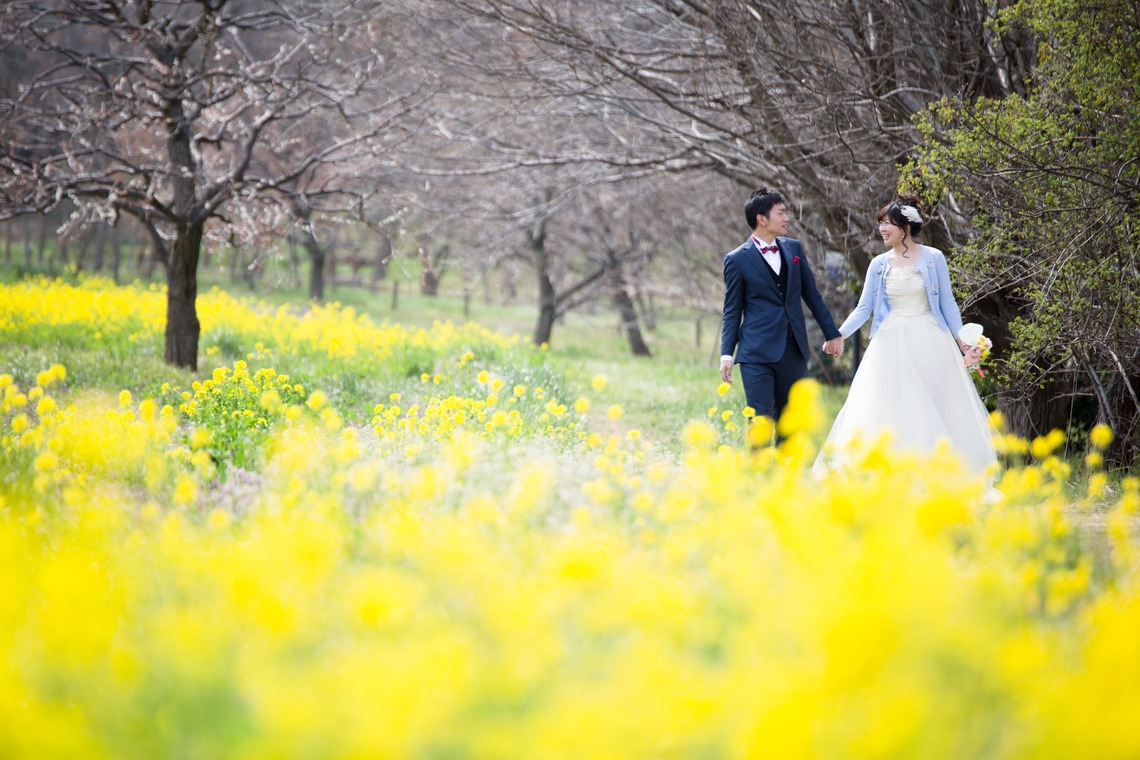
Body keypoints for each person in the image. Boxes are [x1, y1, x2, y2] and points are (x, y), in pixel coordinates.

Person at [816, 194, 997, 475]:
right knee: (889, 404)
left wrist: (964, 344)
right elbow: (864, 307)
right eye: (880, 224)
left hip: (930, 338)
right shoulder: (878, 264)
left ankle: (936, 471)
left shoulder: (933, 258)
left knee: (933, 404)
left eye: (888, 223)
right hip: (891, 342)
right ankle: (891, 472)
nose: (882, 229)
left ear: (907, 227)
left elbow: (947, 304)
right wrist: (837, 334)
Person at [719, 187, 844, 429]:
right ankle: (760, 468)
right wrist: (726, 354)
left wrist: (833, 334)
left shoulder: (793, 249)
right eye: (781, 213)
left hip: (793, 351)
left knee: (792, 423)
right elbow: (732, 310)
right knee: (760, 421)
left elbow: (812, 295)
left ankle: (788, 467)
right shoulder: (736, 259)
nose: (787, 218)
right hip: (756, 353)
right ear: (762, 219)